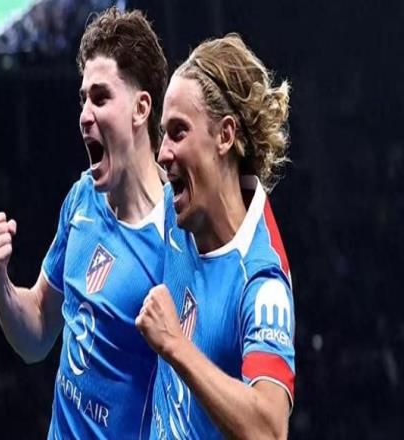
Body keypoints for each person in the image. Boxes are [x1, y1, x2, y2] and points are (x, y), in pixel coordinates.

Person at [0, 7, 170, 439]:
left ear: (141, 108)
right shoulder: (82, 198)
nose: (85, 114)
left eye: (100, 98)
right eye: (83, 98)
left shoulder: (177, 238)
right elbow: (37, 334)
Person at [136, 33, 295, 439]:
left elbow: (269, 429)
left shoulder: (262, 282)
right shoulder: (179, 209)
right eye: (163, 134)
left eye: (178, 133)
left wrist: (175, 345)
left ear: (224, 136)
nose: (162, 153)